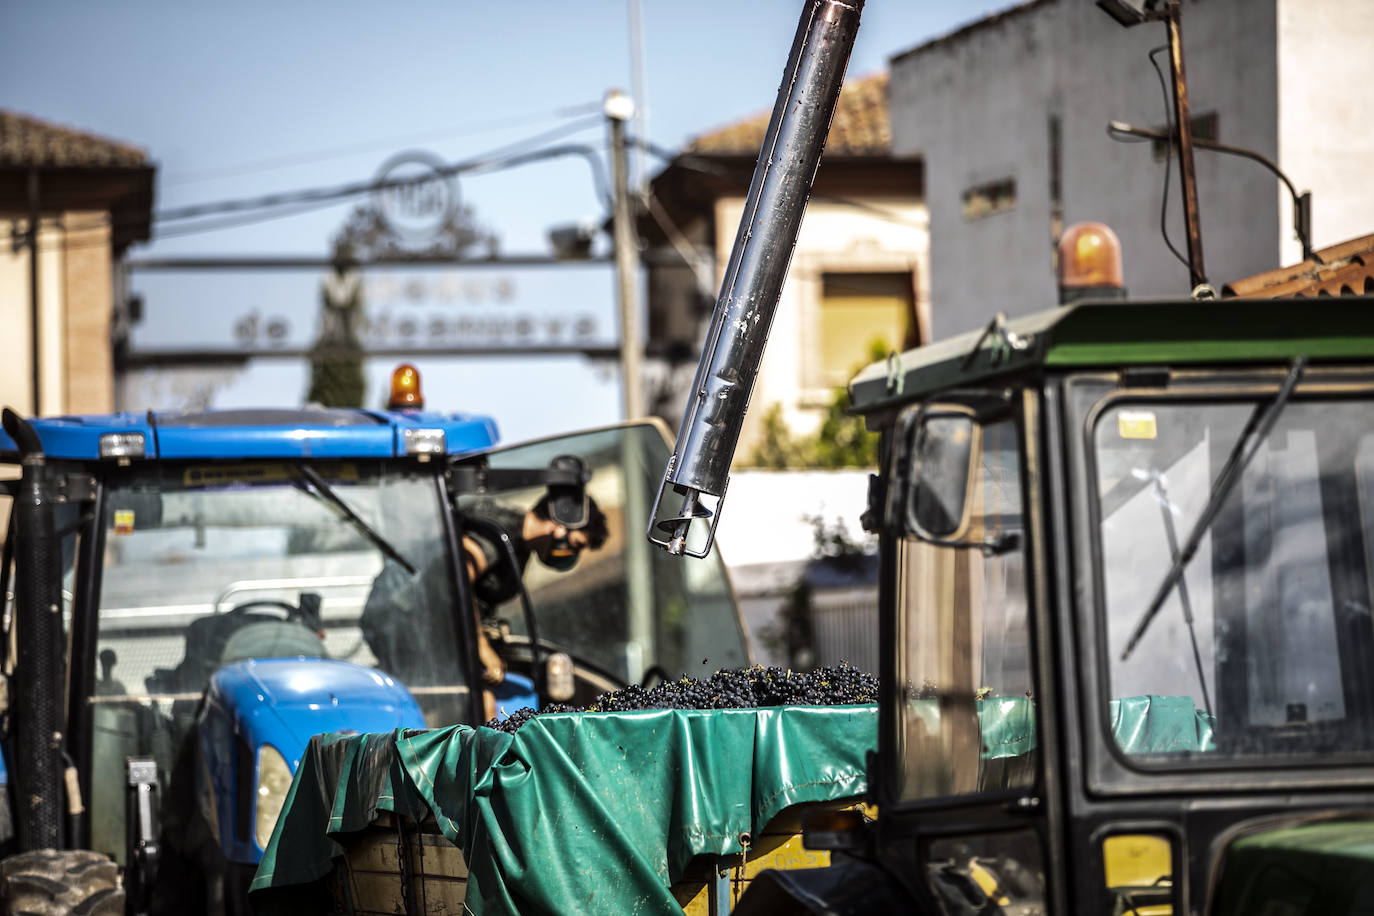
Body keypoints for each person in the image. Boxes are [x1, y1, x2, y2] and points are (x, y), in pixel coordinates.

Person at [462, 493, 610, 691]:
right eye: (576, 545)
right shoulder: (500, 530)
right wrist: (480, 645)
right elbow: (459, 571)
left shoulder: (520, 547)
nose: (573, 555)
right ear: (559, 528)